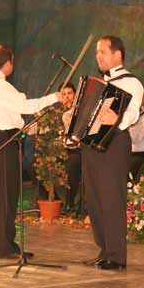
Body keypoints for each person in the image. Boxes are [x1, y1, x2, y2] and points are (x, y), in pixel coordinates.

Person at [0, 43, 62, 258]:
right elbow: (27, 107)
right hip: (0, 143)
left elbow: (6, 113)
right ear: (7, 63)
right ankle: (5, 247)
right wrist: (54, 98)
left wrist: (23, 127)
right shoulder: (2, 87)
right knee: (4, 194)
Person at [81, 35, 143, 270]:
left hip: (115, 144)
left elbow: (134, 112)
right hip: (92, 145)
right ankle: (104, 249)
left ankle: (116, 256)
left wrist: (119, 118)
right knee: (95, 199)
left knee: (112, 200)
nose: (98, 56)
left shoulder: (131, 83)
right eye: (97, 52)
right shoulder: (99, 82)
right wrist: (72, 119)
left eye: (102, 52)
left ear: (117, 54)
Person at [58, 83, 82, 211]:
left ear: (75, 95)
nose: (67, 97)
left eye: (70, 93)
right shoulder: (54, 113)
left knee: (73, 163)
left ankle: (69, 203)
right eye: (64, 94)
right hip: (56, 150)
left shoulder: (78, 111)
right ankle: (55, 201)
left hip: (74, 149)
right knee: (34, 168)